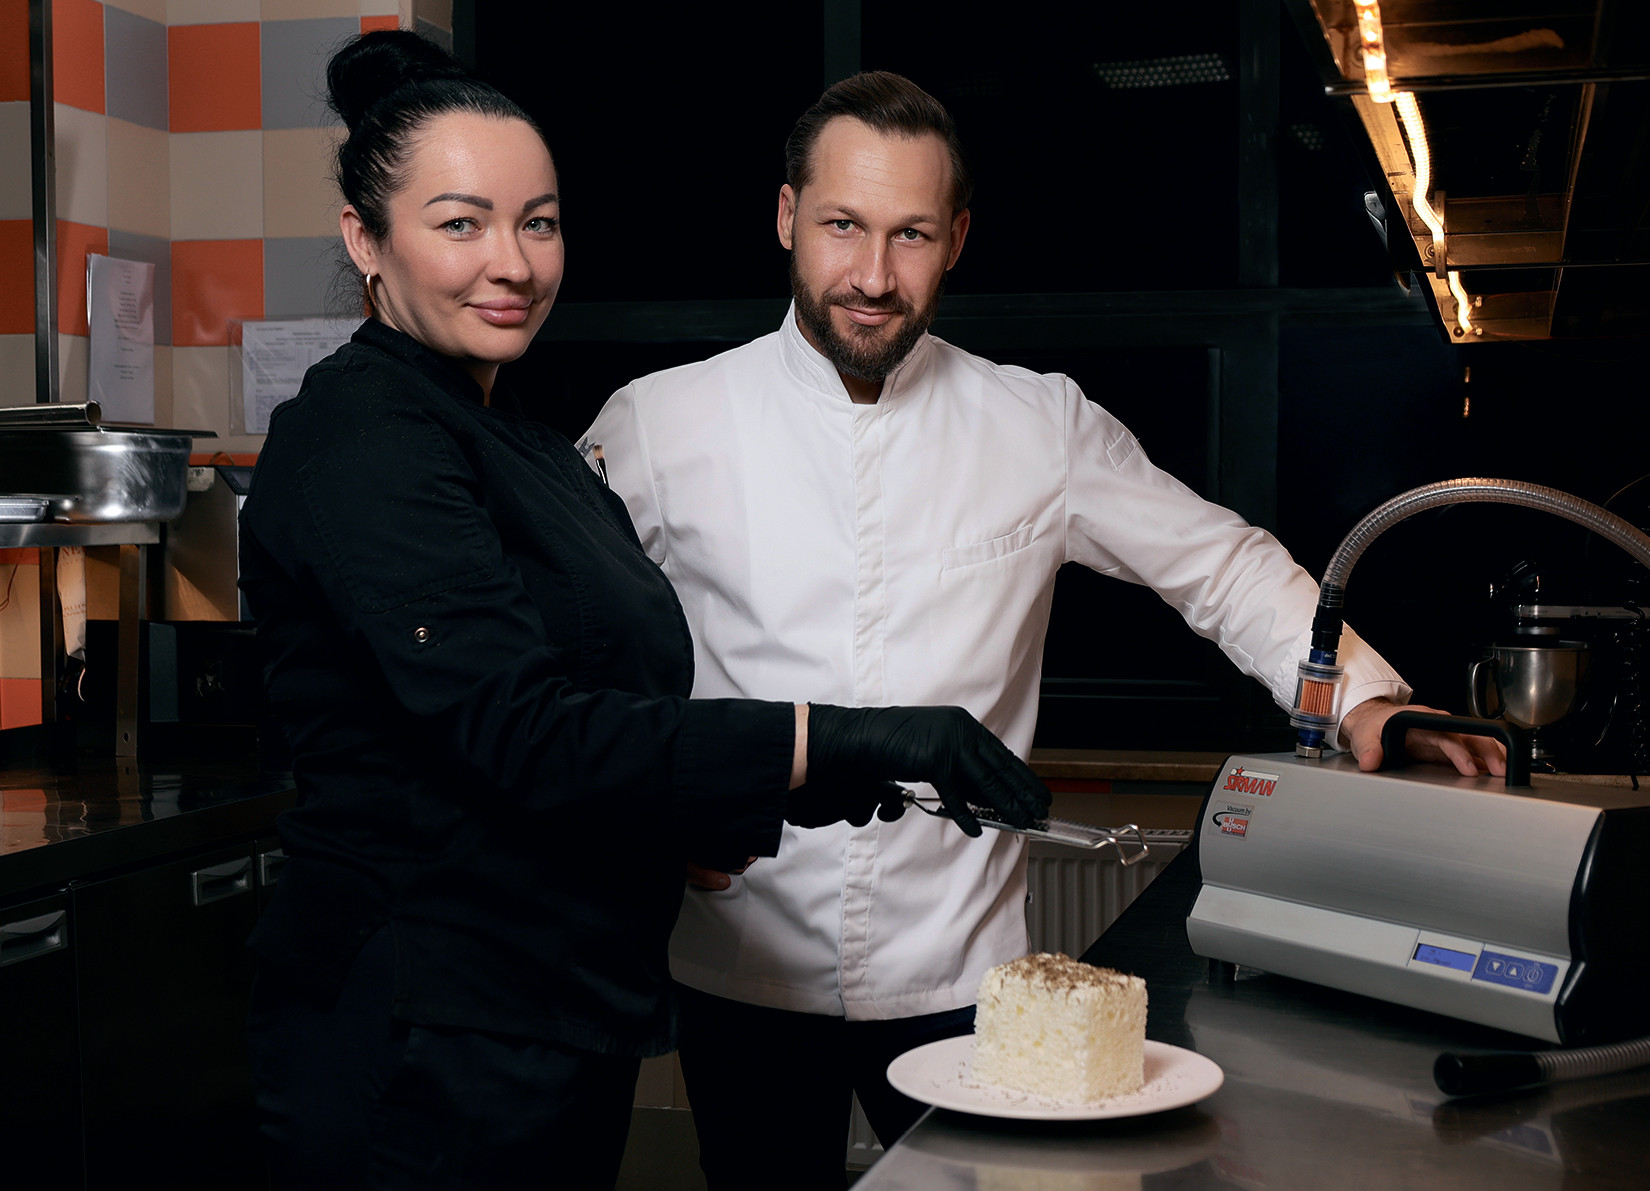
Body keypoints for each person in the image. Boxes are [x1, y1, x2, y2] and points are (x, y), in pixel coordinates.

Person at [584, 71, 1507, 1188]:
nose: (872, 275)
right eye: (842, 226)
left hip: (960, 972)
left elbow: (1218, 566)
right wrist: (652, 813)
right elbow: (569, 667)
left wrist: (1358, 698)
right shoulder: (659, 423)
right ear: (787, 216)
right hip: (739, 959)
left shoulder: (1039, 423)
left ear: (958, 239)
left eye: (911, 234)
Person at [237, 39, 1048, 1191]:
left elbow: (597, 708)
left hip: (549, 1022)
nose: (512, 263)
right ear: (366, 240)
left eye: (540, 223)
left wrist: (746, 803)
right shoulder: (363, 438)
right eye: (461, 224)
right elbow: (519, 728)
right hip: (421, 1035)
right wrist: (841, 738)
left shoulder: (521, 443)